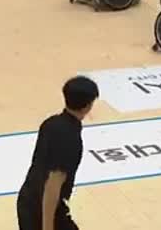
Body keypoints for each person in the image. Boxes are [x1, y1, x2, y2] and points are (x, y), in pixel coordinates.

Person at [17, 76, 99, 230]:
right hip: (44, 210)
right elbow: (53, 185)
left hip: (27, 199)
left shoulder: (50, 123)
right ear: (88, 106)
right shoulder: (71, 139)